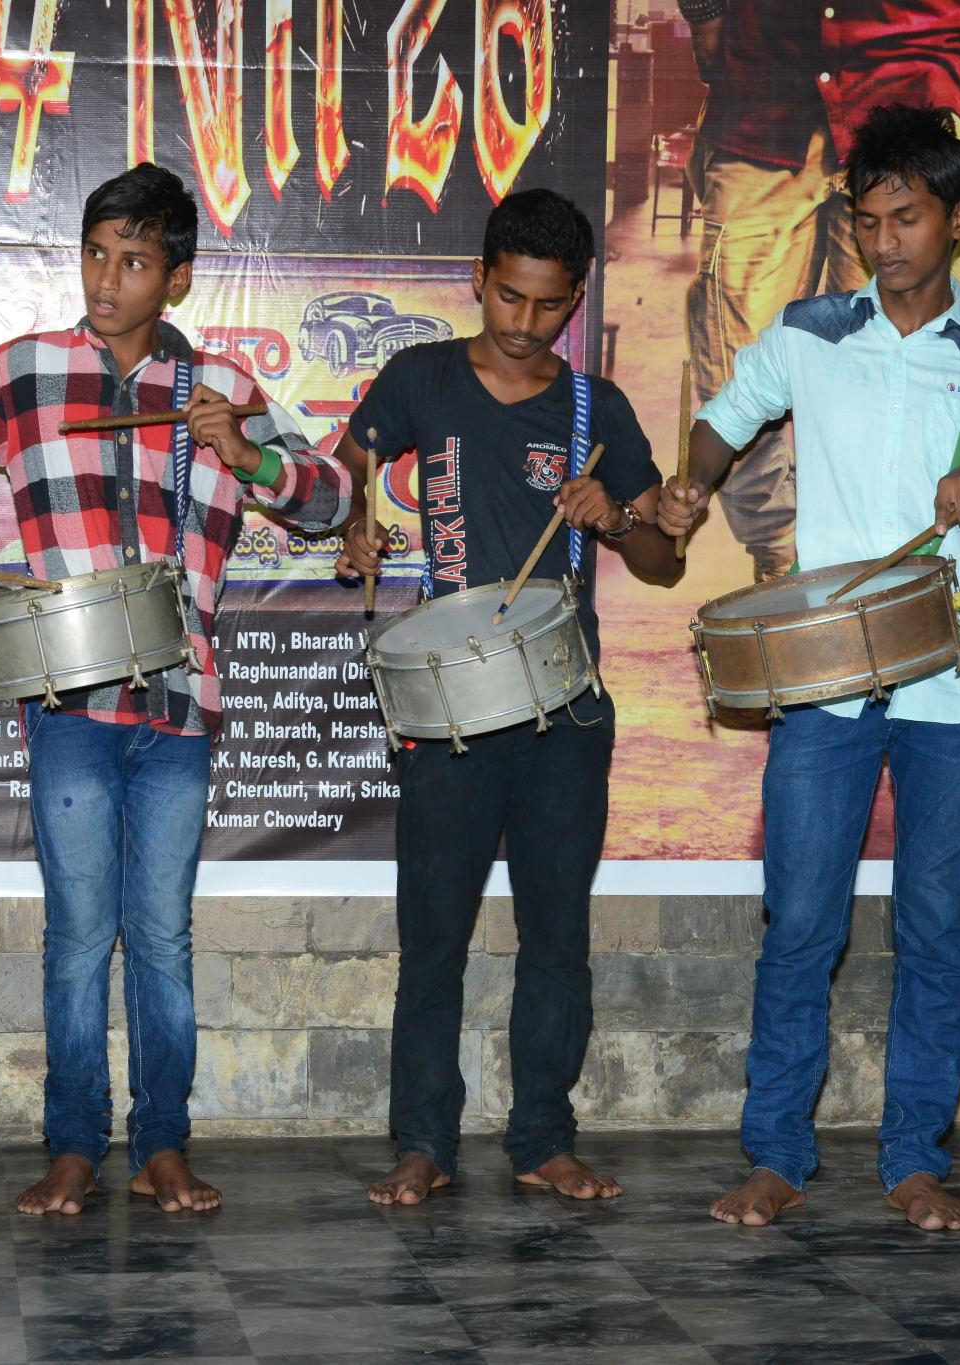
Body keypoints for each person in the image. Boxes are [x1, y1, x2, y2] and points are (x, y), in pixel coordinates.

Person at [658, 105, 960, 1231]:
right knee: (801, 923)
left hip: (958, 692)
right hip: (823, 682)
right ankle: (776, 1156)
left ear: (956, 220)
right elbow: (724, 416)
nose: (884, 240)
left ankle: (914, 1160)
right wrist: (691, 485)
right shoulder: (808, 334)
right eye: (867, 220)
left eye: (906, 218)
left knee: (935, 931)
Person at [0, 164, 349, 1216]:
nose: (106, 279)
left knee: (164, 938)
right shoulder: (28, 371)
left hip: (182, 708)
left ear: (175, 278)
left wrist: (250, 456)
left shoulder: (220, 387)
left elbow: (331, 500)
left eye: (133, 262)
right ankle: (72, 1147)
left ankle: (163, 1145)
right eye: (95, 254)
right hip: (71, 706)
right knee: (79, 935)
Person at [332, 188, 677, 1205]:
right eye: (508, 297)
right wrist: (356, 519)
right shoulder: (421, 377)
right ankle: (422, 1141)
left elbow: (660, 556)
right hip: (447, 710)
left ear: (576, 296)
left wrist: (616, 518)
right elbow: (353, 457)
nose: (525, 324)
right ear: (478, 279)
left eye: (548, 305)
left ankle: (542, 1139)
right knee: (433, 935)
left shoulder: (595, 409)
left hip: (564, 712)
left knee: (556, 933)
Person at [678, 0, 960, 580]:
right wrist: (705, 13)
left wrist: (947, 108)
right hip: (762, 99)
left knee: (890, 377)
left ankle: (881, 572)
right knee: (730, 371)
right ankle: (784, 571)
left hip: (904, 90)